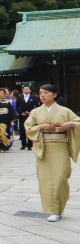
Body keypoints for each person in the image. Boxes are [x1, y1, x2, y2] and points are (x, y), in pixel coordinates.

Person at [23, 84, 80, 222]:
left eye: (46, 92)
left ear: (54, 95)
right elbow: (28, 127)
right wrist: (40, 127)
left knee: (60, 178)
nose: (42, 95)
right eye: (41, 93)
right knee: (45, 180)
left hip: (61, 147)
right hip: (44, 148)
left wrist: (70, 125)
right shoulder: (36, 112)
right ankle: (52, 210)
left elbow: (78, 122)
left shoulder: (64, 110)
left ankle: (59, 207)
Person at [18, 85, 39, 150]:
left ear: (30, 90)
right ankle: (23, 145)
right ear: (23, 90)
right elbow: (17, 106)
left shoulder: (34, 97)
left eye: (27, 89)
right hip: (22, 116)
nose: (26, 90)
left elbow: (37, 106)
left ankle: (30, 145)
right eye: (24, 89)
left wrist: (31, 112)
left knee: (30, 130)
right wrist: (21, 113)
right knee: (22, 130)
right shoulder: (20, 97)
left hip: (31, 116)